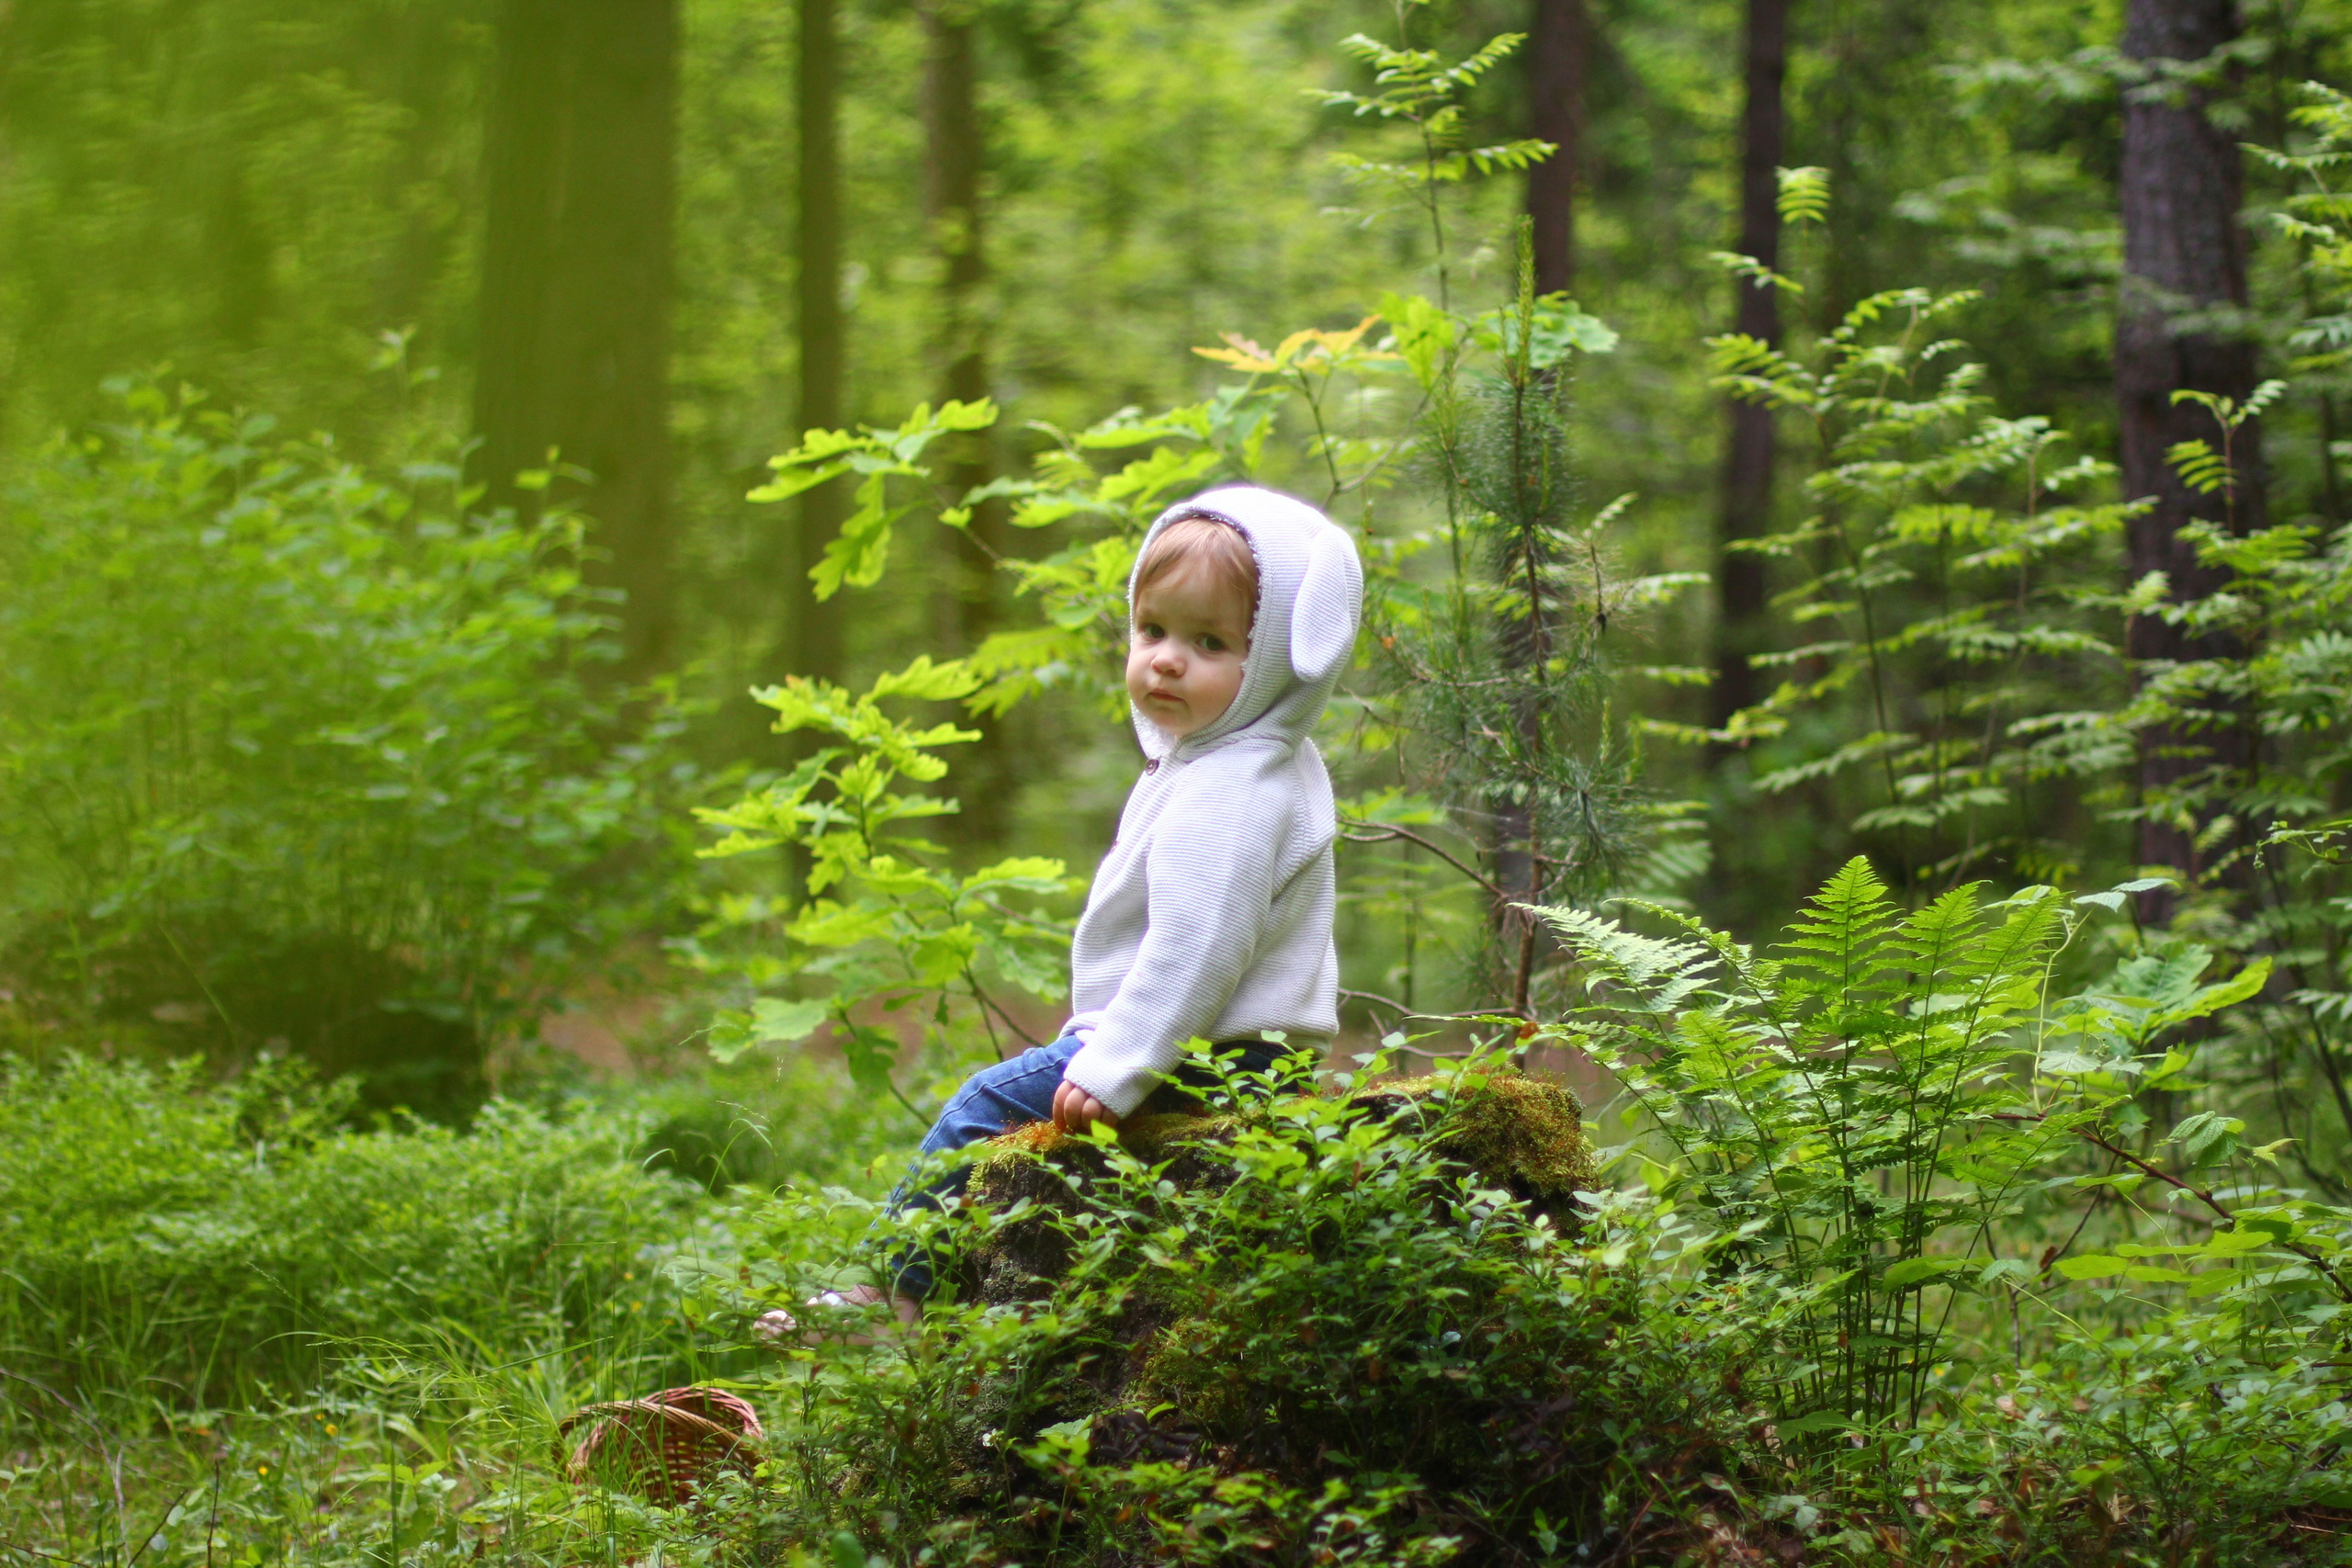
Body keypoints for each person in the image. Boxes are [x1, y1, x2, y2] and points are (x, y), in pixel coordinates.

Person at [763, 484, 1363, 1340]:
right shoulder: (1249, 758)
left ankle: (891, 1295)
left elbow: (1201, 946)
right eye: (1152, 629)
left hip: (1208, 1053)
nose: (1164, 660)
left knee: (982, 1104)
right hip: (1240, 1052)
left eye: (1210, 642)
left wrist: (1119, 1062)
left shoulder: (1228, 788)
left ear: (1279, 659)